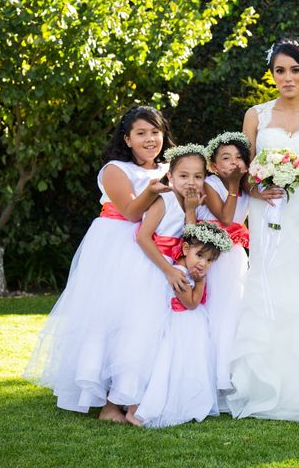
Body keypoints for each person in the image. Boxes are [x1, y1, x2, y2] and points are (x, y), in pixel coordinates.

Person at [25, 106, 174, 421]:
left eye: (155, 132)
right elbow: (132, 212)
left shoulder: (170, 167)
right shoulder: (114, 169)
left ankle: (134, 394)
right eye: (141, 133)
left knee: (144, 318)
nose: (150, 139)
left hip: (156, 245)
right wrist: (153, 188)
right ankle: (108, 401)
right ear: (127, 139)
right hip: (118, 244)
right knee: (112, 317)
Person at [227, 38, 299, 421]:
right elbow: (239, 168)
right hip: (267, 209)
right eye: (280, 70)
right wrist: (255, 188)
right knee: (268, 279)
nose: (288, 77)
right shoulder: (256, 115)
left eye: (295, 70)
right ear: (272, 74)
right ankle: (259, 382)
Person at [123, 142, 209, 423]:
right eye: (183, 176)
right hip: (154, 270)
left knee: (167, 338)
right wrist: (169, 271)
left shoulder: (194, 203)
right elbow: (142, 237)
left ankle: (162, 394)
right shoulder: (164, 200)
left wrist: (192, 210)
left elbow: (190, 239)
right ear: (170, 176)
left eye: (198, 176)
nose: (191, 182)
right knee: (146, 334)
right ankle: (133, 401)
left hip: (175, 273)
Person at [127, 222, 232, 428]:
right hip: (181, 325)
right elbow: (191, 303)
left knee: (189, 364)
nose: (203, 263)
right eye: (200, 255)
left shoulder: (186, 270)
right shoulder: (181, 275)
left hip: (190, 325)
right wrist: (200, 282)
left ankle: (188, 401)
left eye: (210, 260)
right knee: (173, 364)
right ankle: (155, 406)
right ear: (185, 249)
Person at [196, 132, 251, 410]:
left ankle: (229, 379)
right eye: (225, 158)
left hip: (235, 257)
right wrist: (231, 184)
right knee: (214, 314)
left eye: (239, 158)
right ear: (214, 165)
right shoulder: (211, 184)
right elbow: (226, 217)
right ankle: (209, 380)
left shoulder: (245, 188)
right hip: (211, 258)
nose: (233, 163)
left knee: (233, 315)